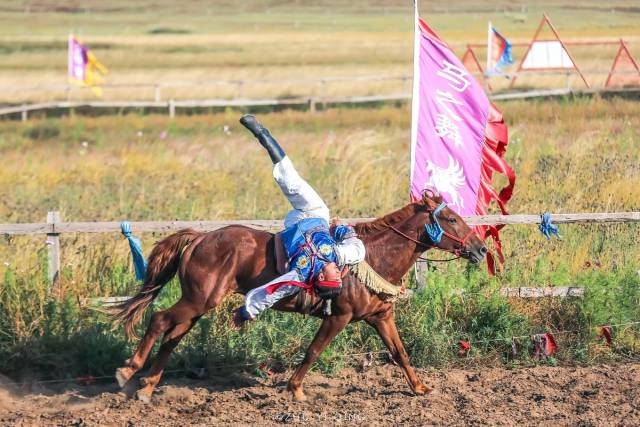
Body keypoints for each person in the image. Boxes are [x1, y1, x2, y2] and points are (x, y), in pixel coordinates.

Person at [232, 115, 366, 328]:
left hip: (294, 224)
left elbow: (271, 292)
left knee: (293, 185)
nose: (339, 274)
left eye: (336, 277)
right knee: (292, 182)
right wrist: (340, 229)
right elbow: (358, 249)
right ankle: (261, 133)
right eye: (340, 277)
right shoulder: (338, 255)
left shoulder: (300, 275)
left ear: (322, 275)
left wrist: (247, 311)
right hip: (316, 213)